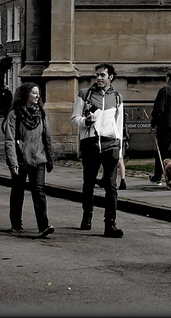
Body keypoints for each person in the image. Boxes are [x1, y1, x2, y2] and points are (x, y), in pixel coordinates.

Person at [73, 63, 124, 237]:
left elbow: (119, 125)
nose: (99, 78)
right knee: (88, 183)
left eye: (103, 75)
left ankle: (110, 224)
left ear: (111, 77)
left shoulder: (117, 98)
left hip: (111, 145)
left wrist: (120, 151)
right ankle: (87, 216)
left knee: (111, 186)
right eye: (97, 75)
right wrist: (85, 122)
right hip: (91, 144)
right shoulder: (85, 95)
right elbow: (74, 118)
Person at [2, 83, 55, 238]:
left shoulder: (41, 114)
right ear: (26, 95)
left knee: (39, 192)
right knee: (18, 192)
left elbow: (47, 138)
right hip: (20, 159)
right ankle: (16, 224)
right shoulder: (14, 115)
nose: (37, 96)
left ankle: (43, 226)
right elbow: (9, 140)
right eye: (34, 93)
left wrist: (50, 158)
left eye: (38, 93)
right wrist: (13, 162)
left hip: (39, 158)